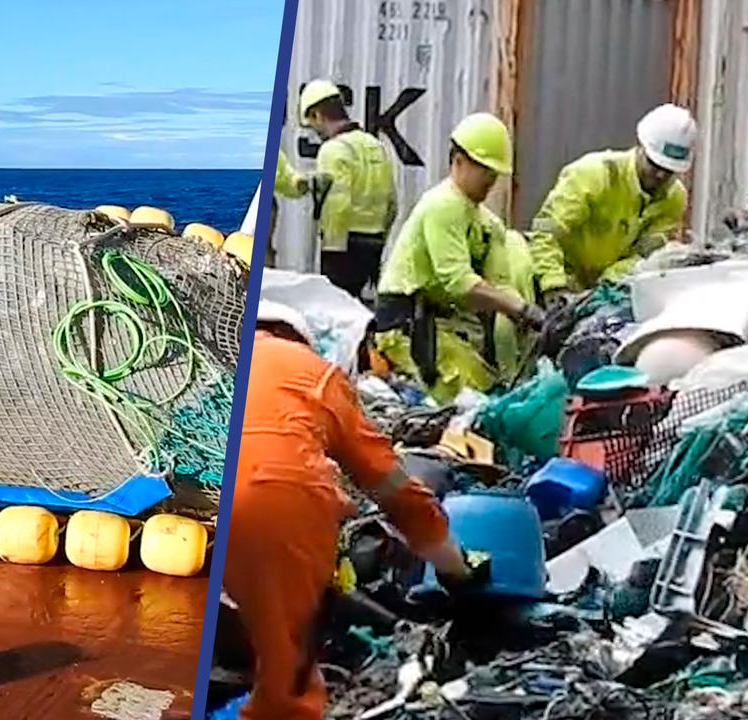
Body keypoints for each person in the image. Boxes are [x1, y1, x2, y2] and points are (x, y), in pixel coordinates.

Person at [223, 299, 480, 720]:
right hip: (269, 502)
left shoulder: (216, 356)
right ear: (296, 338)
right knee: (288, 692)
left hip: (194, 507)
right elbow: (392, 486)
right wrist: (453, 566)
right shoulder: (311, 370)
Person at [374, 113, 545, 402]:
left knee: (488, 387)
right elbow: (458, 282)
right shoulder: (444, 204)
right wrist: (522, 310)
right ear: (458, 160)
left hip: (443, 321)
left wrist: (524, 321)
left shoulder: (486, 223)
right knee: (464, 395)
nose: (490, 180)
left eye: (495, 173)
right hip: (408, 323)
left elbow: (500, 284)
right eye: (484, 169)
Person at [529, 103, 698, 310]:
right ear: (640, 148)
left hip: (608, 290)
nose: (661, 175)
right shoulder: (594, 175)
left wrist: (604, 288)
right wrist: (553, 285)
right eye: (655, 165)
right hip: (554, 275)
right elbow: (546, 233)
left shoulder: (673, 199)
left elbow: (645, 256)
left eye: (669, 170)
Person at [299, 79, 397, 299]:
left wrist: (331, 254)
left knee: (336, 310)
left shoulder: (332, 150)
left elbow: (337, 206)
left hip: (343, 248)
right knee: (359, 309)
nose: (315, 132)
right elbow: (392, 203)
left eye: (311, 124)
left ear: (317, 115)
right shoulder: (375, 145)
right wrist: (380, 240)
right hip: (374, 243)